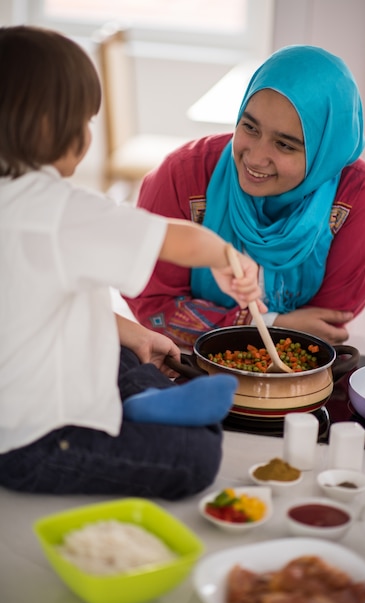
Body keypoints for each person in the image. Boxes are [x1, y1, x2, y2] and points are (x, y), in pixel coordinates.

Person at [0, 26, 265, 500]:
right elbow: (172, 238)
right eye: (83, 120)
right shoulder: (57, 209)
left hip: (18, 399)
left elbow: (30, 308)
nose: (85, 135)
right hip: (34, 442)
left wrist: (135, 332)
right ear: (45, 126)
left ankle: (140, 393)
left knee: (124, 345)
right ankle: (146, 400)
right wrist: (227, 255)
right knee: (197, 457)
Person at [124, 45, 365, 350]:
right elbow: (154, 307)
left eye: (285, 145)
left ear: (325, 152)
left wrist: (229, 324)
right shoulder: (183, 176)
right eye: (250, 127)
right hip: (186, 364)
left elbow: (324, 328)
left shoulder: (358, 199)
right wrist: (270, 324)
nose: (255, 157)